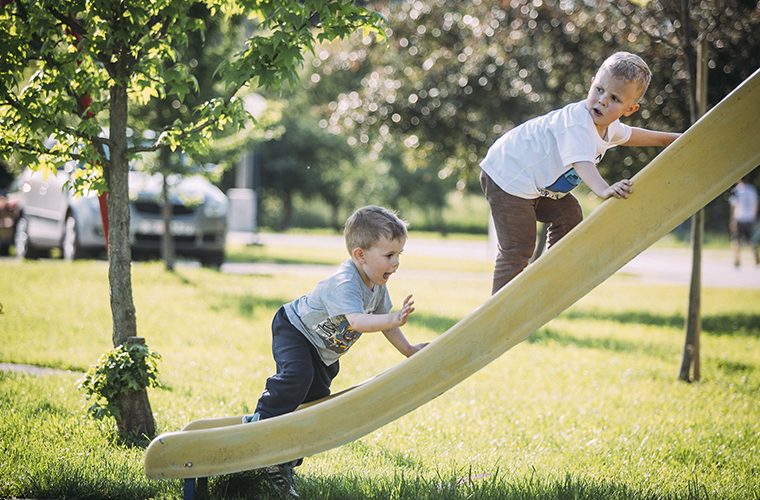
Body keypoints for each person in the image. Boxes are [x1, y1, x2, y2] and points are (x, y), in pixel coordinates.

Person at [242, 205, 428, 498]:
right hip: (295, 330)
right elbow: (358, 321)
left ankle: (282, 461)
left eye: (399, 255)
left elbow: (385, 323)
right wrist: (393, 318)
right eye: (389, 256)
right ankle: (260, 424)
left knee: (314, 403)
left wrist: (408, 349)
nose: (396, 263)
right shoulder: (345, 281)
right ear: (360, 255)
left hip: (324, 354)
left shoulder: (378, 286)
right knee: (296, 377)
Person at [479, 51, 681, 294]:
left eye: (615, 98)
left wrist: (670, 140)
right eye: (599, 89)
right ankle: (498, 311)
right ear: (592, 81)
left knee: (569, 213)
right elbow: (582, 162)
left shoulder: (610, 127)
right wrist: (603, 189)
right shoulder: (577, 121)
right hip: (507, 175)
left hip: (534, 185)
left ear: (630, 109)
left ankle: (550, 275)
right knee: (519, 247)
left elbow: (633, 135)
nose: (603, 100)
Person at [728, 176, 759, 267]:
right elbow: (756, 205)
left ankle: (737, 260)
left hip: (739, 217)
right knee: (752, 240)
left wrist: (732, 219)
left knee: (736, 240)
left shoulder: (736, 190)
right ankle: (756, 259)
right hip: (750, 218)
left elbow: (734, 206)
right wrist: (754, 217)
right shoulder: (752, 189)